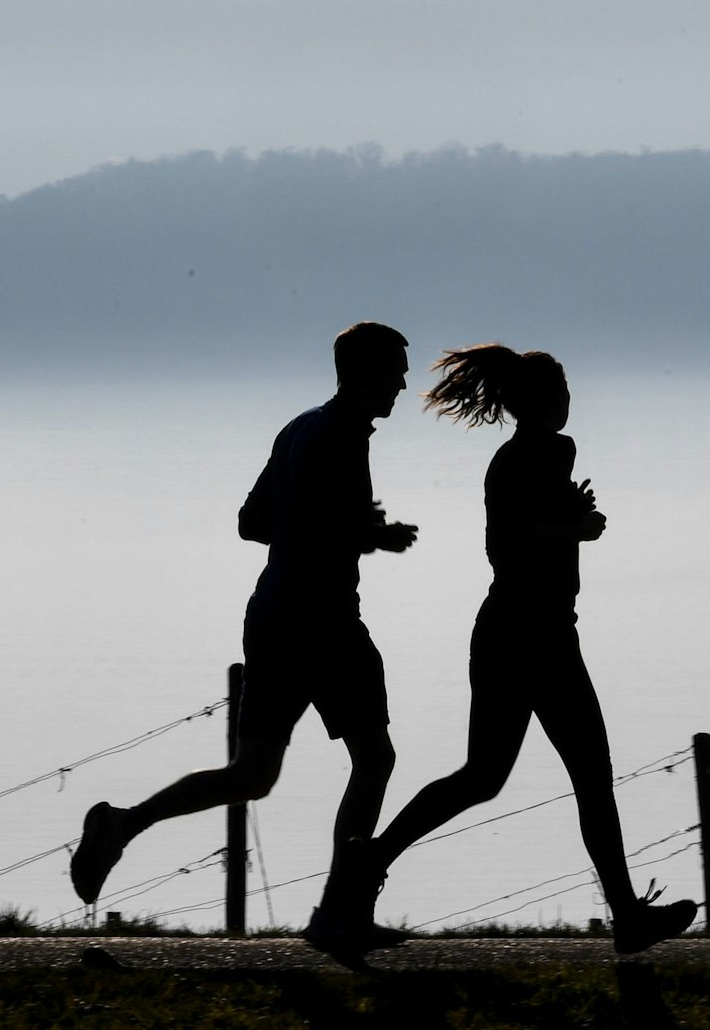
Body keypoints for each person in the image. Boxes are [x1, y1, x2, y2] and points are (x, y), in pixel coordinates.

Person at [69, 322, 419, 965]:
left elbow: (251, 523)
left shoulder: (300, 428)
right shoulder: (340, 436)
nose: (403, 380)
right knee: (374, 758)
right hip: (324, 622)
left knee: (252, 776)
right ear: (364, 371)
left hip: (274, 617)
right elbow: (315, 529)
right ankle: (340, 911)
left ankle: (123, 824)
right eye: (396, 368)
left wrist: (341, 529)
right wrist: (371, 535)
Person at [363, 343, 695, 954]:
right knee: (572, 774)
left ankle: (372, 860)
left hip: (526, 632)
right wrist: (576, 528)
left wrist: (571, 514)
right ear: (543, 400)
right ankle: (626, 919)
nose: (570, 402)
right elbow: (509, 548)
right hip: (528, 634)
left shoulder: (550, 454)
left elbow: (539, 522)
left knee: (486, 777)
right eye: (564, 392)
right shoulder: (519, 459)